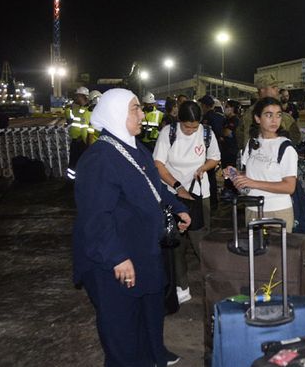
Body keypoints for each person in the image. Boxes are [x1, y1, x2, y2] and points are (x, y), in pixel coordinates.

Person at [73, 88, 191, 366]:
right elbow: (95, 216)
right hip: (115, 257)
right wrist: (117, 257)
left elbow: (154, 187)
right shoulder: (99, 158)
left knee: (150, 309)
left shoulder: (134, 147)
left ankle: (153, 354)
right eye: (135, 109)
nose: (142, 114)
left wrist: (178, 208)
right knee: (121, 325)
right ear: (115, 114)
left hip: (142, 249)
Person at [154, 100, 221, 304]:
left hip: (200, 195)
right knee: (176, 244)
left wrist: (204, 168)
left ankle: (215, 284)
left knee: (201, 241)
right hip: (173, 195)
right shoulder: (169, 133)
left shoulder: (206, 133)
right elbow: (158, 164)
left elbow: (215, 157)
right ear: (179, 121)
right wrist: (177, 186)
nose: (191, 130)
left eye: (195, 126)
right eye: (187, 126)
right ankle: (182, 286)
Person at [226, 97, 298, 232]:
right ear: (257, 118)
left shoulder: (285, 147)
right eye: (269, 115)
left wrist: (253, 183)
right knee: (253, 252)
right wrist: (235, 174)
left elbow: (289, 187)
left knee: (275, 253)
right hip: (252, 209)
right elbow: (248, 176)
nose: (274, 120)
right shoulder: (252, 143)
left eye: (278, 115)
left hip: (277, 212)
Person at [236, 75, 301, 150]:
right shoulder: (251, 114)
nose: (277, 90)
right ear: (262, 90)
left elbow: (295, 137)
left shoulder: (282, 112)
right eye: (273, 87)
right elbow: (246, 143)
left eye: (277, 87)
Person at [198, 95, 225, 210]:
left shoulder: (207, 117)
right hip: (218, 149)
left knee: (208, 175)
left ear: (204, 105)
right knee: (212, 175)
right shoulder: (220, 116)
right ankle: (214, 200)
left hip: (208, 150)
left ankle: (211, 200)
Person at [65, 86, 92, 180]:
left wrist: (87, 141)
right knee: (73, 162)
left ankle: (83, 180)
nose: (75, 98)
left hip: (84, 142)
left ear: (83, 96)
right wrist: (67, 110)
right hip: (76, 140)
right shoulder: (76, 109)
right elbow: (69, 121)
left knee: (84, 163)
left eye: (77, 96)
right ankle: (71, 181)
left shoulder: (89, 109)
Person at [221, 100, 241, 200]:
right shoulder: (226, 120)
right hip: (226, 150)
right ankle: (229, 190)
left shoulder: (234, 120)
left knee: (232, 171)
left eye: (227, 106)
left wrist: (222, 133)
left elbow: (226, 132)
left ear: (232, 108)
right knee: (226, 172)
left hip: (232, 151)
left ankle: (233, 192)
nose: (225, 108)